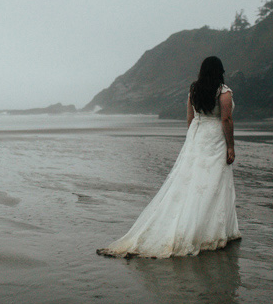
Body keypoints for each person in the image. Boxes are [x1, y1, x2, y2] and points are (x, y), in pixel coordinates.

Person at [97, 56, 241, 258]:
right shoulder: (224, 93)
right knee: (213, 183)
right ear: (220, 71)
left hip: (197, 137)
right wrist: (231, 146)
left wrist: (192, 140)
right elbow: (225, 119)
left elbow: (190, 118)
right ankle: (212, 231)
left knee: (189, 182)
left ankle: (198, 225)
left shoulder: (194, 90)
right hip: (215, 139)